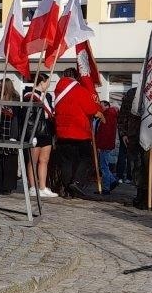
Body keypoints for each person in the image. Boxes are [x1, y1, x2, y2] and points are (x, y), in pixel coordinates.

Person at [53, 67, 102, 198]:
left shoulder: (58, 91)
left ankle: (68, 190)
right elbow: (91, 109)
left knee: (66, 162)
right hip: (79, 132)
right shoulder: (80, 90)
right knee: (86, 158)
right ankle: (77, 182)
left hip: (62, 133)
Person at [23, 74, 56, 197]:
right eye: (48, 82)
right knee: (33, 161)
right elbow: (30, 117)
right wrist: (32, 135)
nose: (48, 85)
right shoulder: (30, 96)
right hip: (36, 131)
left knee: (44, 160)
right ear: (42, 82)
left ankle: (42, 186)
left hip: (46, 129)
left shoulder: (46, 96)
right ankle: (33, 187)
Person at [95, 97, 119, 194]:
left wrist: (100, 146)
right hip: (105, 144)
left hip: (105, 145)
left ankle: (107, 187)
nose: (100, 107)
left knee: (104, 166)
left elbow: (104, 133)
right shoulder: (109, 115)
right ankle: (112, 181)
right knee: (104, 166)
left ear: (107, 106)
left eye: (101, 106)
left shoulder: (108, 115)